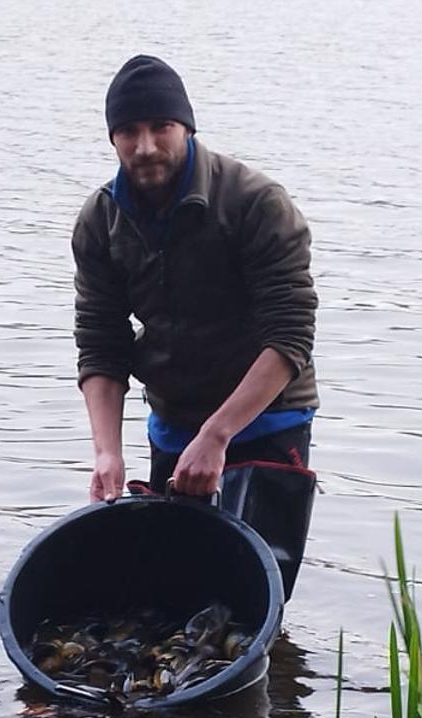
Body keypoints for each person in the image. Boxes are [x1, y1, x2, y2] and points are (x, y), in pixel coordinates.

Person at [72, 54, 319, 501]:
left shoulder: (256, 203)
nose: (145, 146)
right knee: (173, 569)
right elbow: (100, 343)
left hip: (267, 420)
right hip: (173, 426)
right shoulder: (99, 220)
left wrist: (217, 434)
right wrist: (107, 453)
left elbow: (290, 335)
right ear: (113, 139)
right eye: (129, 131)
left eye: (161, 126)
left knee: (255, 568)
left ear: (187, 128)